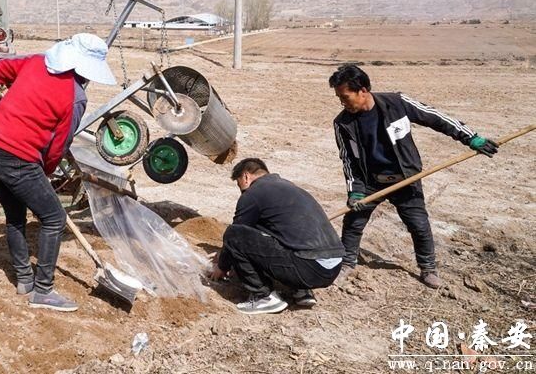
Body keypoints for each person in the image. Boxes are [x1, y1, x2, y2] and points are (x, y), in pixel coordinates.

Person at [0, 33, 116, 312]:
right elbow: (59, 145)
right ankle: (43, 290)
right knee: (54, 218)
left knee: (15, 215)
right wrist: (44, 172)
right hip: (18, 159)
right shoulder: (76, 97)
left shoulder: (36, 62)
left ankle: (24, 279)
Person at [328, 64, 498, 289]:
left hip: (405, 177)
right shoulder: (343, 123)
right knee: (353, 222)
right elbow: (348, 160)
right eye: (339, 98)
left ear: (363, 90)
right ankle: (347, 263)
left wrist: (470, 138)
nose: (342, 102)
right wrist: (355, 191)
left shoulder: (397, 103)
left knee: (418, 224)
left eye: (345, 97)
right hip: (370, 181)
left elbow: (436, 118)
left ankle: (428, 269)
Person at [210, 158, 345, 314]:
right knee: (274, 229)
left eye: (239, 185)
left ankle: (263, 297)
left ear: (246, 176)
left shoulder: (253, 194)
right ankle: (301, 290)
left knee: (234, 234)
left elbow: (237, 233)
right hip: (333, 266)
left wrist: (222, 265)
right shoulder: (290, 187)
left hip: (307, 269)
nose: (241, 191)